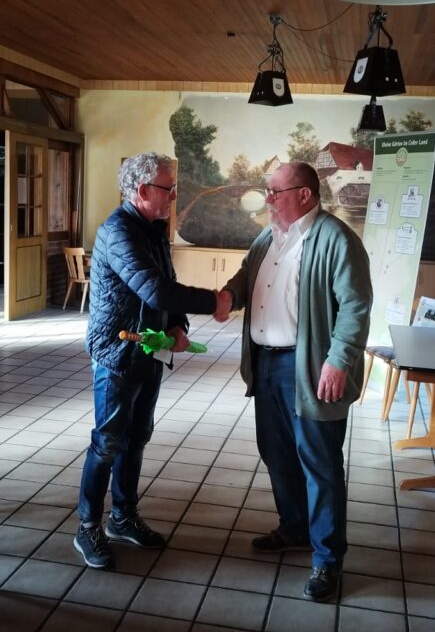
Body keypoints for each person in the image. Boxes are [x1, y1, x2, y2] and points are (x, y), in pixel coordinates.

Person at [217, 161, 372, 602]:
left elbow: (356, 306)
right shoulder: (269, 237)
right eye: (267, 191)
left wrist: (338, 360)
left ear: (305, 194)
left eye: (275, 191)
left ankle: (327, 560)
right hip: (266, 365)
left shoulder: (336, 239)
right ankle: (294, 529)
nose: (267, 199)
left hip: (310, 369)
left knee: (319, 464)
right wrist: (227, 296)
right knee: (277, 453)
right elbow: (245, 279)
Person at [74, 152, 230, 570]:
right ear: (143, 191)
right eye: (168, 188)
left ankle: (122, 517)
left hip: (150, 349)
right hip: (117, 353)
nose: (174, 195)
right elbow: (154, 290)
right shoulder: (118, 231)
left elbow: (166, 285)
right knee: (106, 442)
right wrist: (214, 301)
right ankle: (87, 526)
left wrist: (179, 326)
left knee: (137, 435)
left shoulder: (155, 228)